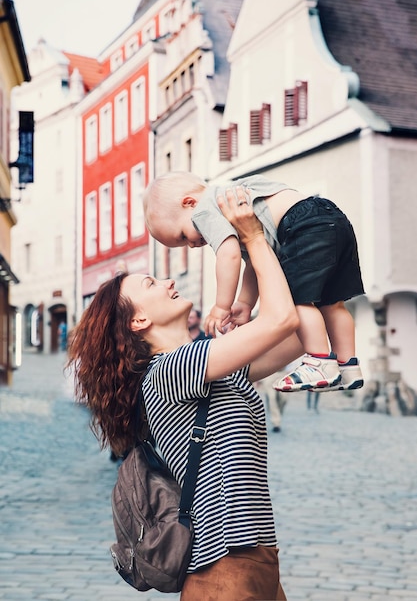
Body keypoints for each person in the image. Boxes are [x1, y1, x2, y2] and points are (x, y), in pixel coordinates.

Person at [67, 187, 303, 601]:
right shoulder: (171, 371)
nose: (168, 281)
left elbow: (298, 333)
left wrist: (301, 242)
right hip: (224, 564)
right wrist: (251, 239)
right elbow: (281, 320)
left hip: (255, 556)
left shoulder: (206, 363)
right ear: (138, 320)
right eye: (151, 283)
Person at [143, 171, 365, 394]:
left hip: (300, 225)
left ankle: (319, 362)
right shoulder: (232, 196)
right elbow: (252, 261)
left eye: (182, 236)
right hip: (330, 217)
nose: (191, 245)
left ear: (189, 203)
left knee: (300, 300)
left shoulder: (205, 209)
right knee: (333, 303)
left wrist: (222, 306)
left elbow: (228, 255)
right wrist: (245, 302)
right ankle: (348, 365)